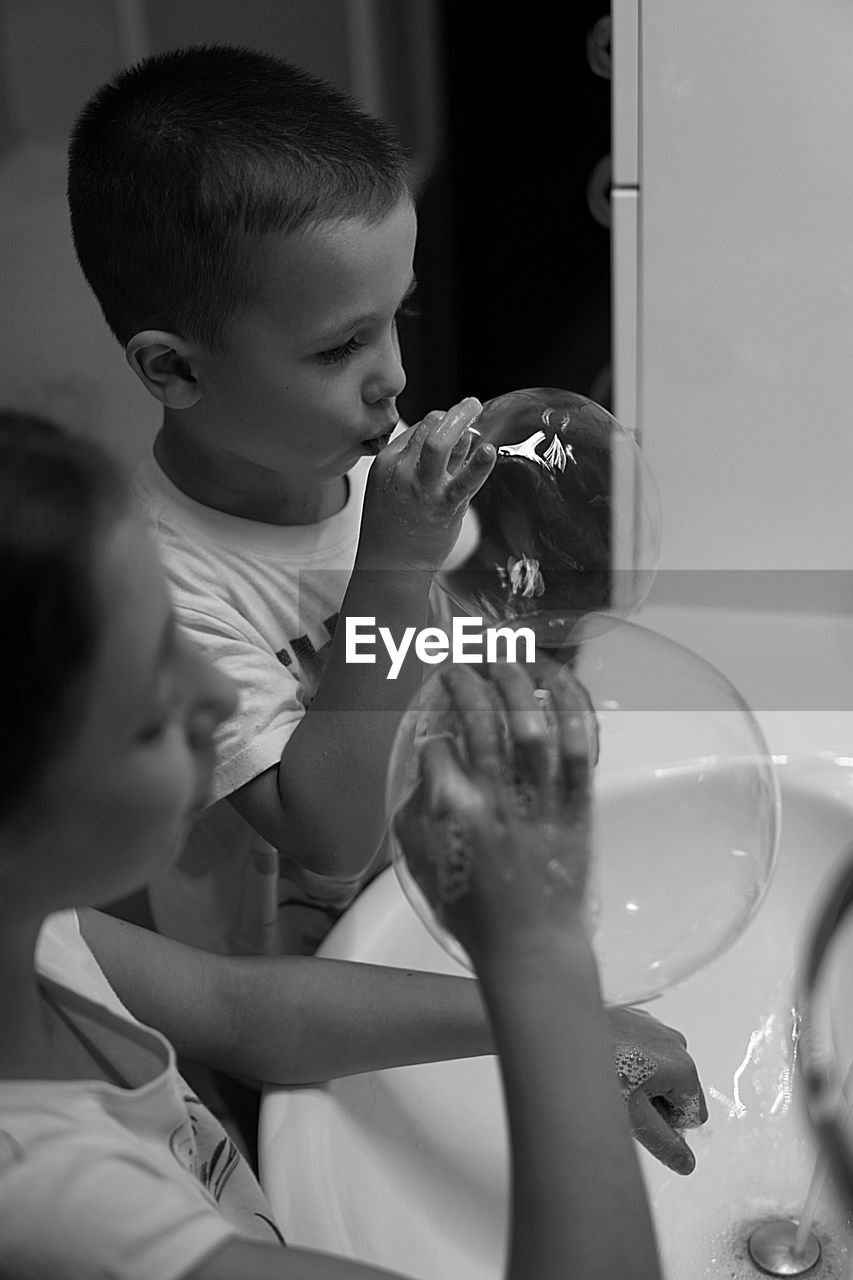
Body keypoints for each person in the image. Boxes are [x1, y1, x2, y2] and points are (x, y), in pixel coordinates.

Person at [0, 413, 701, 1278]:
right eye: (148, 700)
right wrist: (539, 957)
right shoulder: (53, 1217)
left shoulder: (41, 934)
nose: (220, 694)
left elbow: (238, 1010)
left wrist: (573, 1030)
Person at [67, 42, 492, 959]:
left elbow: (461, 621)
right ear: (174, 368)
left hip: (437, 905)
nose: (396, 376)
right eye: (341, 347)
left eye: (398, 318)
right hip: (298, 993)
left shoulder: (362, 450)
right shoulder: (155, 591)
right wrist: (394, 563)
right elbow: (329, 838)